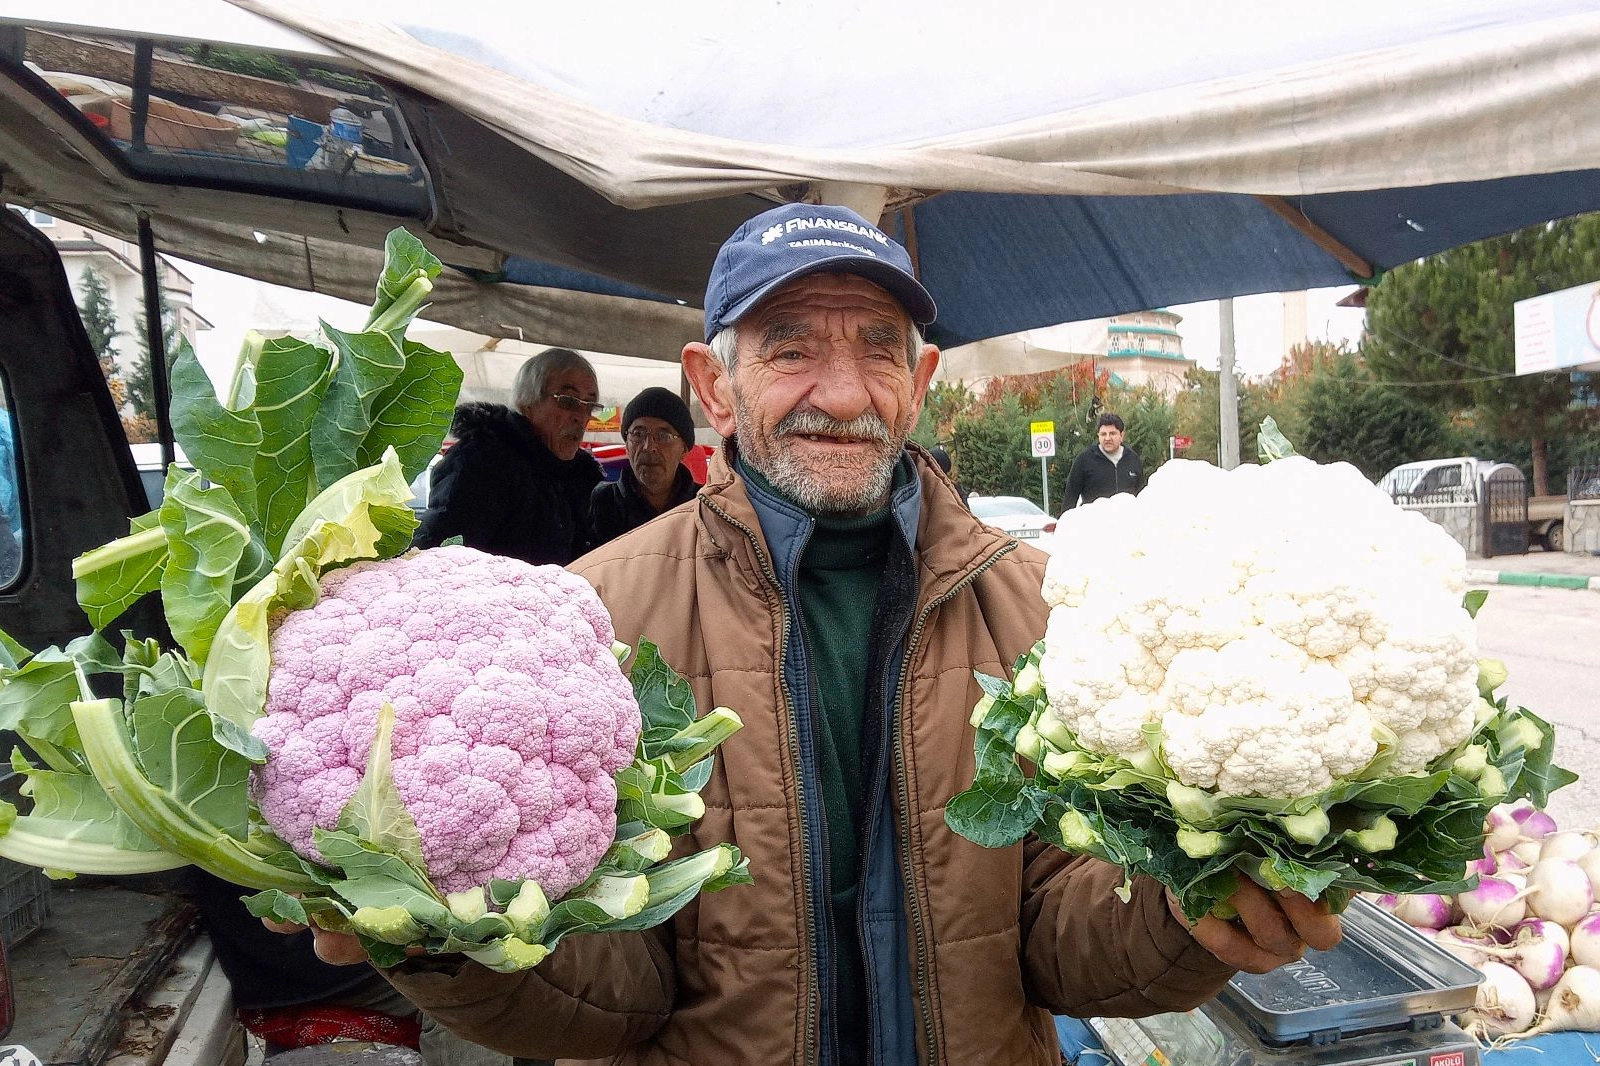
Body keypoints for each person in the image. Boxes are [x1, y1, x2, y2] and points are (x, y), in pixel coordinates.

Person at [286, 203, 1341, 1065]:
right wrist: (446, 941)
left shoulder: (1048, 610)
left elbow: (1057, 953)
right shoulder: (596, 619)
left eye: (878, 349)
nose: (840, 393)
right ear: (714, 385)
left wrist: (1183, 918)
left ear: (919, 384)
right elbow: (614, 1002)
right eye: (789, 348)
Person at [412, 347, 602, 565]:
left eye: (590, 405)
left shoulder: (581, 478)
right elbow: (442, 558)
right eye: (569, 400)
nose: (582, 416)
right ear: (526, 403)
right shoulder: (483, 465)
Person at [588, 387, 699, 547]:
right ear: (626, 444)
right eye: (638, 434)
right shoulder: (602, 502)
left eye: (663, 436)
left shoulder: (702, 505)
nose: (648, 446)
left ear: (684, 449)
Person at [1061, 411, 1143, 509]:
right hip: (1095, 522)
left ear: (1122, 435)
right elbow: (1070, 499)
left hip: (1126, 522)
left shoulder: (1132, 459)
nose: (1107, 438)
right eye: (1103, 434)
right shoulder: (1084, 460)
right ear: (1098, 435)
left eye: (1112, 433)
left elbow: (1141, 496)